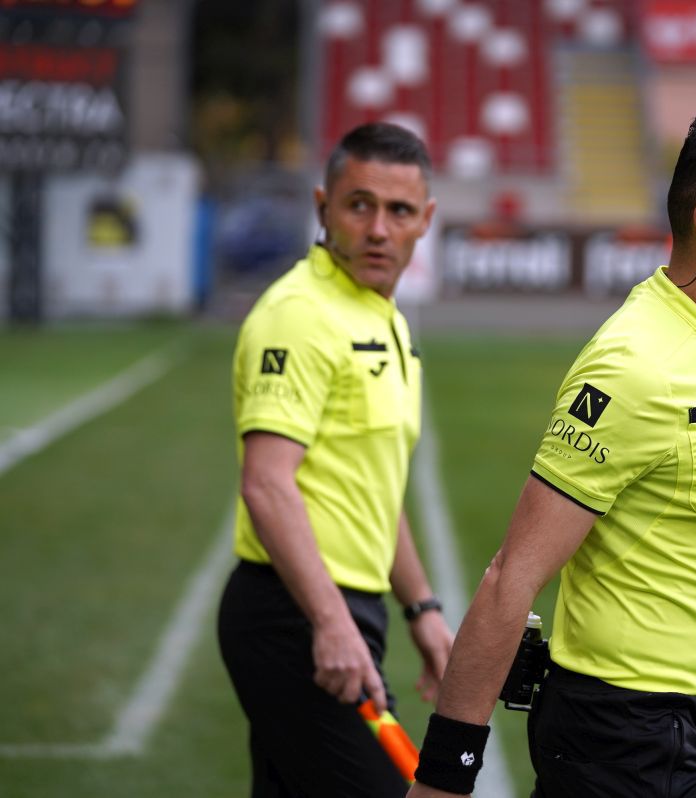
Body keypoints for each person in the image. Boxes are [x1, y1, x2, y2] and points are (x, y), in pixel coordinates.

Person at [409, 109, 696, 798]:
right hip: (621, 737)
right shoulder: (635, 367)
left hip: (687, 728)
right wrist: (445, 778)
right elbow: (513, 575)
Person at [217, 122, 454, 797]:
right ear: (323, 209)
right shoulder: (299, 315)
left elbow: (376, 489)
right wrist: (329, 623)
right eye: (360, 205)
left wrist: (422, 609)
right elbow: (266, 485)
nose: (379, 228)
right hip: (293, 615)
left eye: (400, 210)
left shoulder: (384, 318)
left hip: (349, 611)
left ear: (425, 221)